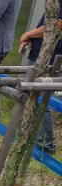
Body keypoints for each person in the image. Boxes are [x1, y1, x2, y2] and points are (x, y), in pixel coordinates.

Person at [18, 4, 62, 155]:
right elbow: (46, 24)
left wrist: (28, 34)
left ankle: (45, 146)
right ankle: (32, 137)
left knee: (41, 101)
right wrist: (32, 37)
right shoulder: (54, 3)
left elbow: (57, 25)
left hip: (49, 58)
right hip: (39, 54)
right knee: (34, 98)